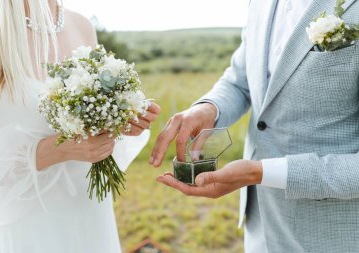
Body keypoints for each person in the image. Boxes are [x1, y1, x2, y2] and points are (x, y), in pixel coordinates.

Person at [151, 0, 359, 252]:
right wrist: (208, 108)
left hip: (333, 234)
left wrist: (259, 172)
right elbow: (240, 80)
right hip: (260, 224)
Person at [0, 0, 160, 252]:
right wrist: (52, 151)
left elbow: (88, 127)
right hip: (24, 228)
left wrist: (118, 122)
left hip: (89, 214)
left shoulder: (82, 26)